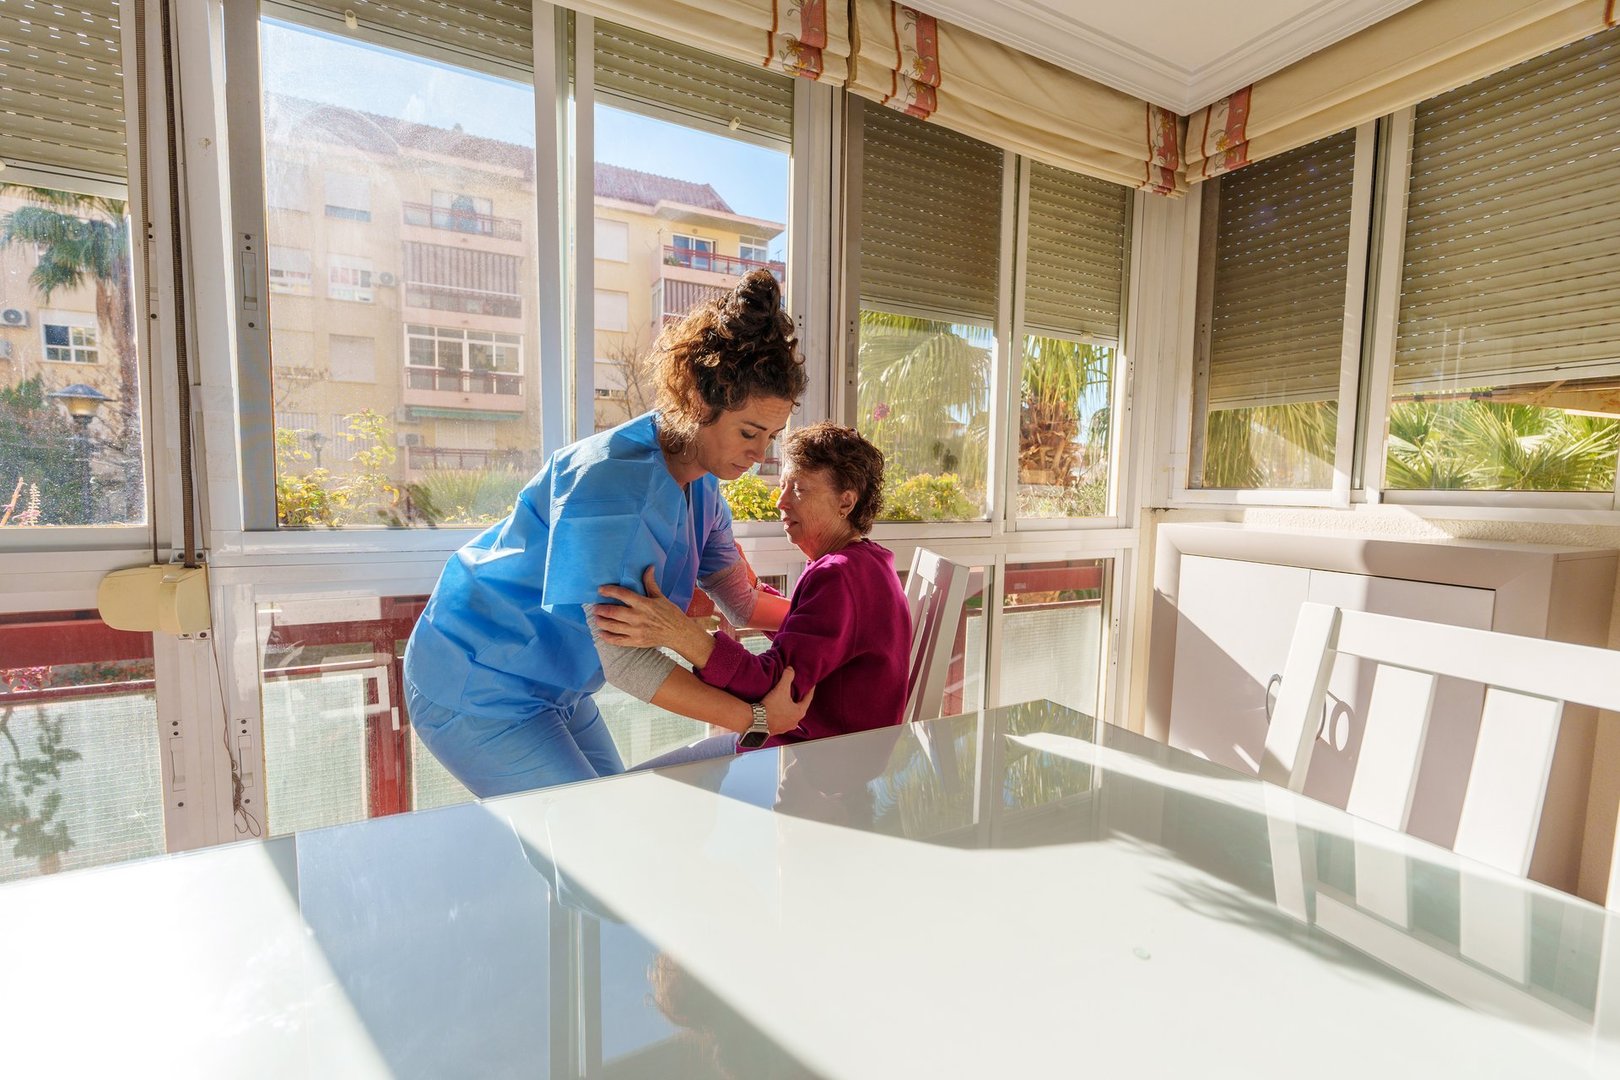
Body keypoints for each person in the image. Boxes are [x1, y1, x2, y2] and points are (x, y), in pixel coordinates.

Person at [402, 269, 812, 797]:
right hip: (476, 678)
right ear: (695, 400)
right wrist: (756, 717)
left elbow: (740, 600)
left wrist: (833, 621)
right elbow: (626, 660)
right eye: (749, 433)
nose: (761, 456)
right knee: (592, 835)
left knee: (608, 816)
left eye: (772, 438)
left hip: (555, 684)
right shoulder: (612, 488)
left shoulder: (704, 487)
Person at [596, 423, 912, 766]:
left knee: (636, 784)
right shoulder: (867, 563)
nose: (781, 501)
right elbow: (815, 640)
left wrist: (680, 634)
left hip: (814, 762)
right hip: (840, 758)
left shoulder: (837, 576)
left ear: (845, 502)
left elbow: (771, 687)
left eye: (799, 489)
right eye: (783, 486)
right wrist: (756, 590)